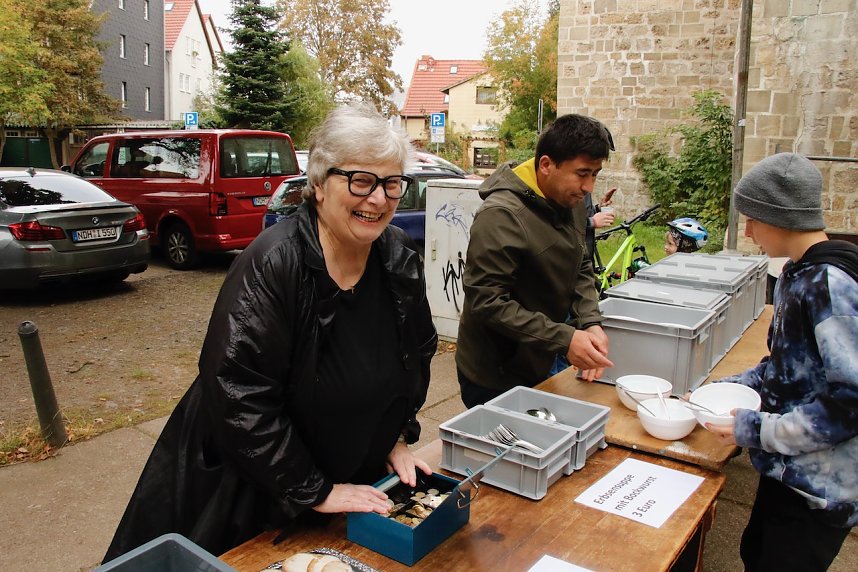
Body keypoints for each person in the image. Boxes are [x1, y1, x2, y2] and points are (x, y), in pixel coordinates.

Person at [103, 104, 438, 562]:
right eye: (361, 181)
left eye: (391, 183)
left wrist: (395, 438)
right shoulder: (274, 262)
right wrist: (314, 489)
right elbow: (238, 393)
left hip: (351, 478)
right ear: (318, 184)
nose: (378, 199)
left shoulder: (396, 255)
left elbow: (415, 354)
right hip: (259, 490)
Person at [706, 153, 858, 571]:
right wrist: (726, 389)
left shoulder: (830, 284)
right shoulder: (796, 272)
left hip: (819, 489)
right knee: (755, 553)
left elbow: (850, 402)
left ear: (780, 216)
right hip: (785, 466)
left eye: (753, 220)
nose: (748, 231)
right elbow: (786, 368)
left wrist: (756, 428)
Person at [455, 114, 614, 408]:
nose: (589, 187)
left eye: (595, 174)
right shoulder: (501, 215)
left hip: (540, 356)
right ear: (546, 165)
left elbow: (580, 264)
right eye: (582, 173)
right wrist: (565, 339)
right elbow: (486, 302)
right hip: (495, 374)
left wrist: (590, 321)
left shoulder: (571, 202)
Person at [584, 187, 617, 261]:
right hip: (571, 258)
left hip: (587, 255)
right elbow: (562, 222)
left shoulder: (585, 189)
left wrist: (598, 208)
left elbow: (582, 214)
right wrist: (592, 222)